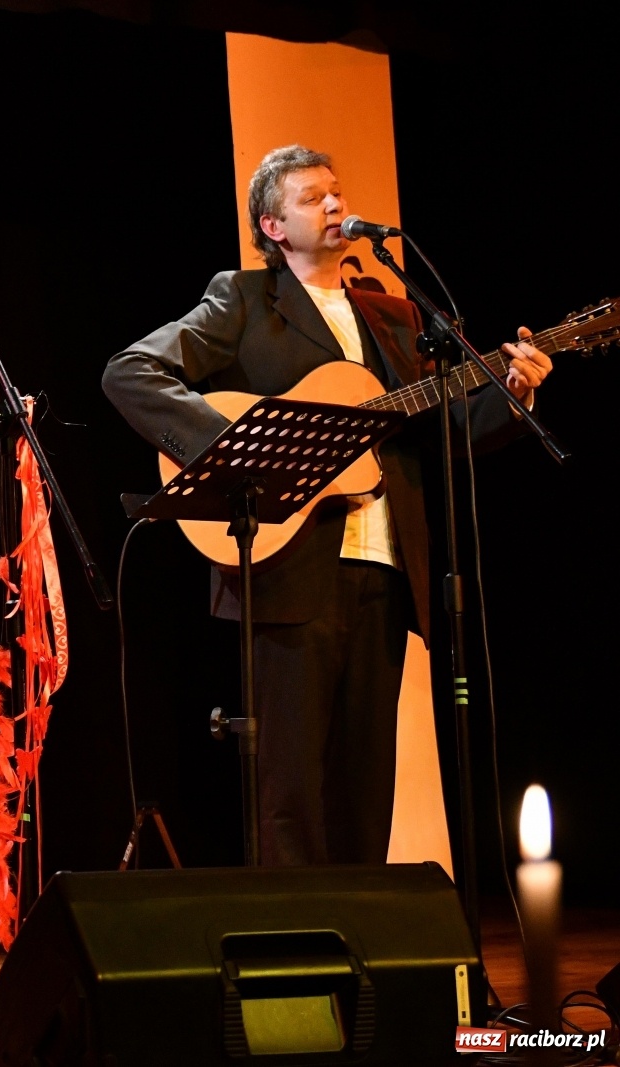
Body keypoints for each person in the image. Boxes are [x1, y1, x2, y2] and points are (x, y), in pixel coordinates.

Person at [101, 146, 552, 866]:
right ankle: (293, 932)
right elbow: (131, 371)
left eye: (337, 193)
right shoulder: (245, 299)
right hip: (288, 569)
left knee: (366, 784)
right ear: (273, 226)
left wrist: (514, 392)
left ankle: (357, 928)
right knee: (291, 786)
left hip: (385, 566)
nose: (336, 205)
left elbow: (444, 428)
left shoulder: (394, 314)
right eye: (313, 198)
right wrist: (240, 450)